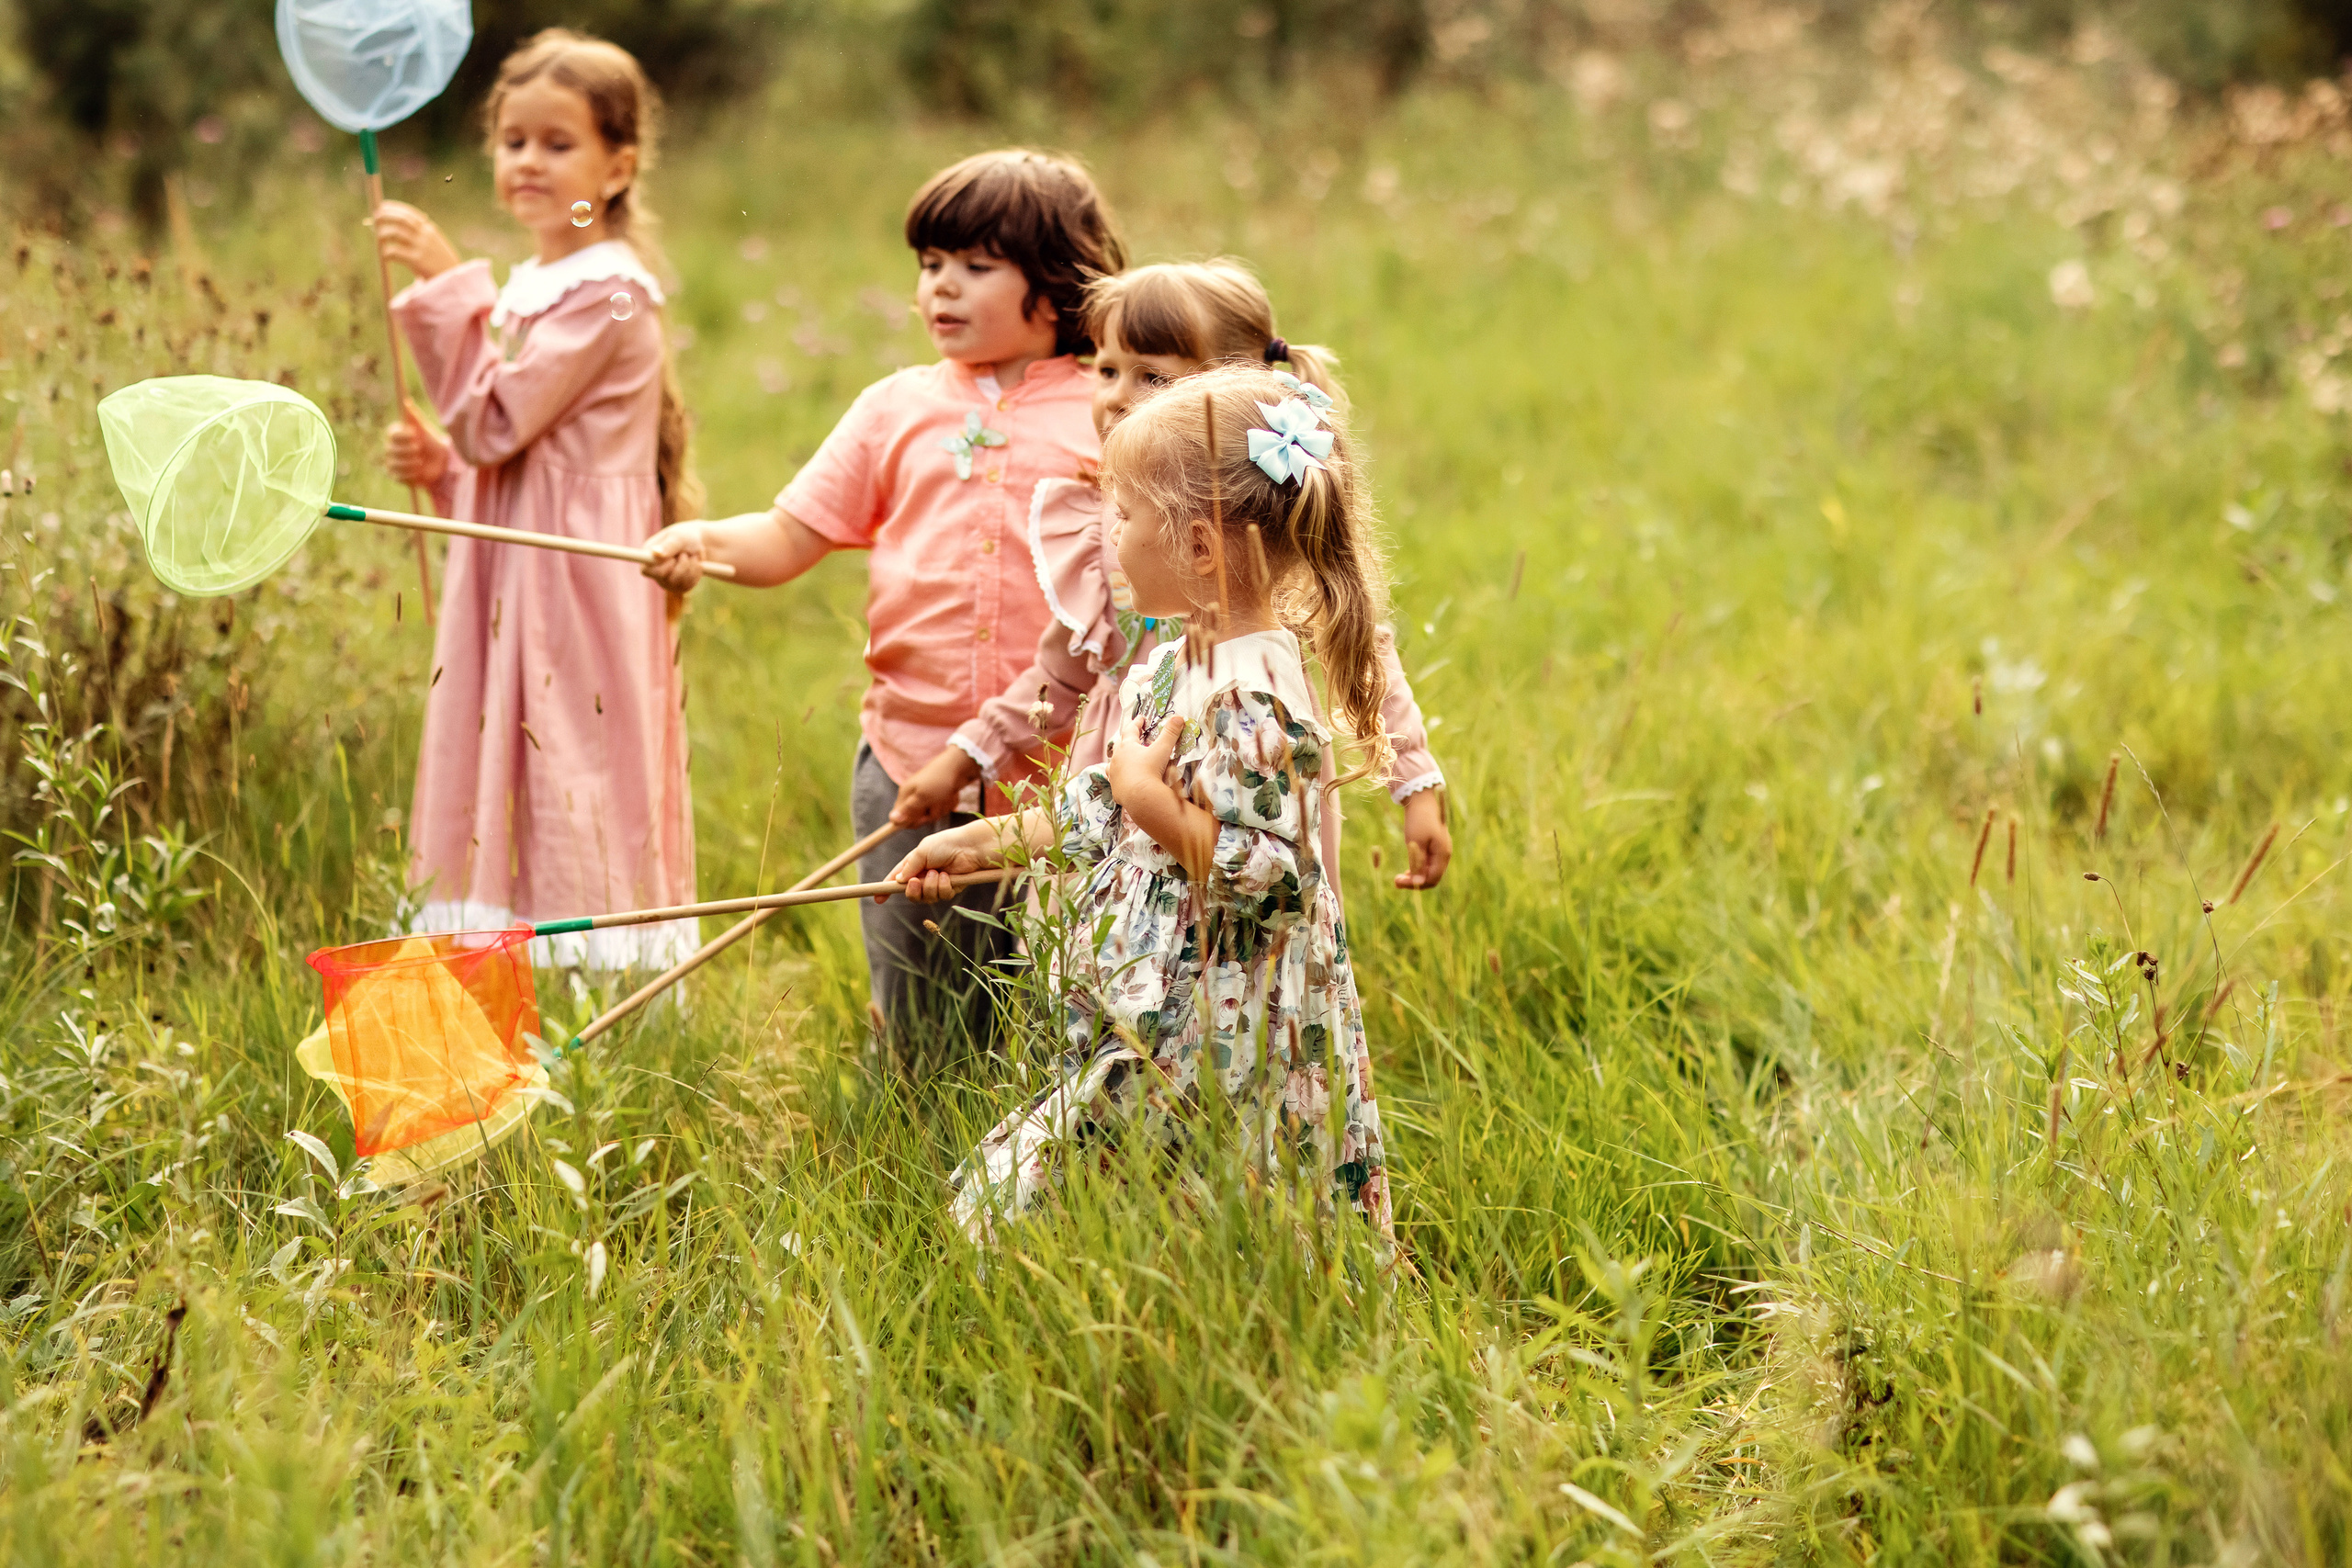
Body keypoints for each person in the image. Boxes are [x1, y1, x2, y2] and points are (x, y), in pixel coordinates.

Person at [888, 363, 1396, 1255]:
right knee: (1157, 1210)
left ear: (1200, 546)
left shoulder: (1254, 695)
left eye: (1122, 516)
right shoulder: (1175, 663)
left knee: (1029, 1201)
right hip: (1165, 1005)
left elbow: (1269, 878)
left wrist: (1146, 798)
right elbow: (1100, 811)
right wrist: (978, 844)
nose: (1107, 540)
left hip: (1226, 1021)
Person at [640, 150, 1126, 1063]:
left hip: (1068, 771)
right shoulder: (894, 408)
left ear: (1057, 280)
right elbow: (788, 537)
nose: (941, 288)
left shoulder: (1111, 405)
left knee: (1063, 1011)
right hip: (910, 759)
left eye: (975, 266)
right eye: (929, 264)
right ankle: (922, 1137)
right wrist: (700, 544)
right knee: (922, 1016)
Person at [913, 259, 1453, 893]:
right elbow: (1061, 674)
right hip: (1122, 772)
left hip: (1246, 784)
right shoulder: (1100, 522)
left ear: (1222, 398)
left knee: (1235, 946)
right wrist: (974, 752)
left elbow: (1361, 651)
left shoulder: (1265, 548)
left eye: (1150, 376)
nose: (1115, 393)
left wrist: (1415, 782)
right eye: (1106, 368)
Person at [373, 28, 697, 970]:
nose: (529, 162)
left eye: (560, 145)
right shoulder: (540, 285)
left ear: (618, 164)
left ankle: (588, 972)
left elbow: (497, 420)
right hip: (520, 560)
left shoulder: (611, 293)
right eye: (513, 141)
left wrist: (442, 279)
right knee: (506, 754)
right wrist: (443, 468)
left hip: (570, 573)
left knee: (568, 759)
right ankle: (501, 965)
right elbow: (499, 449)